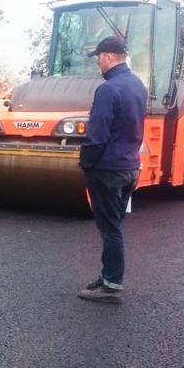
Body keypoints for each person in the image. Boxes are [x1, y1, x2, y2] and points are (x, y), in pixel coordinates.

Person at [77, 36, 147, 304]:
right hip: (129, 166)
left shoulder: (107, 90)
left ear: (108, 57)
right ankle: (108, 277)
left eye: (98, 57)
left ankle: (112, 285)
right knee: (114, 225)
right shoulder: (137, 86)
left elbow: (98, 135)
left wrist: (86, 162)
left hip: (106, 169)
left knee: (110, 229)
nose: (98, 63)